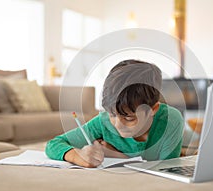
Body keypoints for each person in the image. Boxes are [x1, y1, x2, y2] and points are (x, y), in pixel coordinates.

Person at [45, 59, 184, 168]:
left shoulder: (171, 120)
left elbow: (165, 170)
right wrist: (77, 156)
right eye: (112, 114)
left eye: (129, 118)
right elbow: (53, 144)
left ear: (152, 109)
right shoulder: (103, 121)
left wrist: (118, 156)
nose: (118, 125)